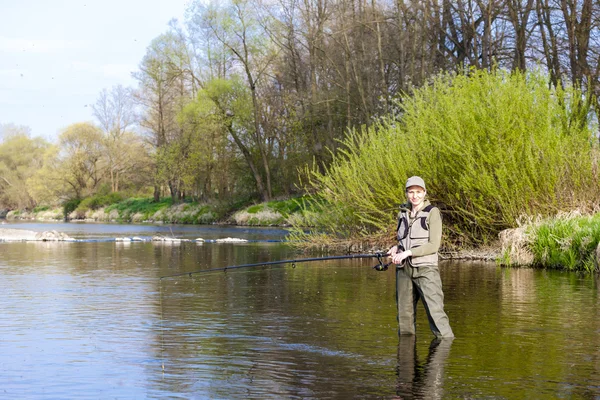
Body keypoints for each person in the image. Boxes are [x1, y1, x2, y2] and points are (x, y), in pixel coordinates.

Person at [387, 176, 454, 338]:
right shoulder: (402, 212)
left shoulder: (433, 212)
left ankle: (443, 353)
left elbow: (433, 245)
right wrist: (396, 248)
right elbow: (402, 239)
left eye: (418, 192)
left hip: (426, 270)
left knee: (436, 314)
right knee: (404, 318)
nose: (414, 196)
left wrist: (408, 253)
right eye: (411, 192)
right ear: (406, 193)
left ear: (424, 193)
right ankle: (406, 360)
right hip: (403, 269)